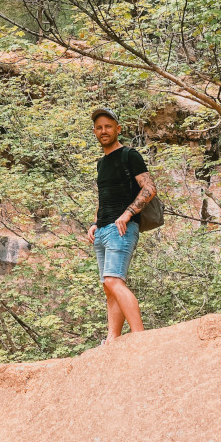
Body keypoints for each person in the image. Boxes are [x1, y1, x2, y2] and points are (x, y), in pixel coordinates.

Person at [86, 107, 157, 344]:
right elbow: (104, 197)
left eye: (108, 126)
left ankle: (139, 337)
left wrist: (127, 214)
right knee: (109, 286)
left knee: (113, 281)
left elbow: (149, 188)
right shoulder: (101, 163)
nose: (103, 131)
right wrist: (95, 223)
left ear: (118, 129)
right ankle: (112, 339)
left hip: (122, 228)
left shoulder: (130, 155)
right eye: (99, 127)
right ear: (95, 132)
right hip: (103, 230)